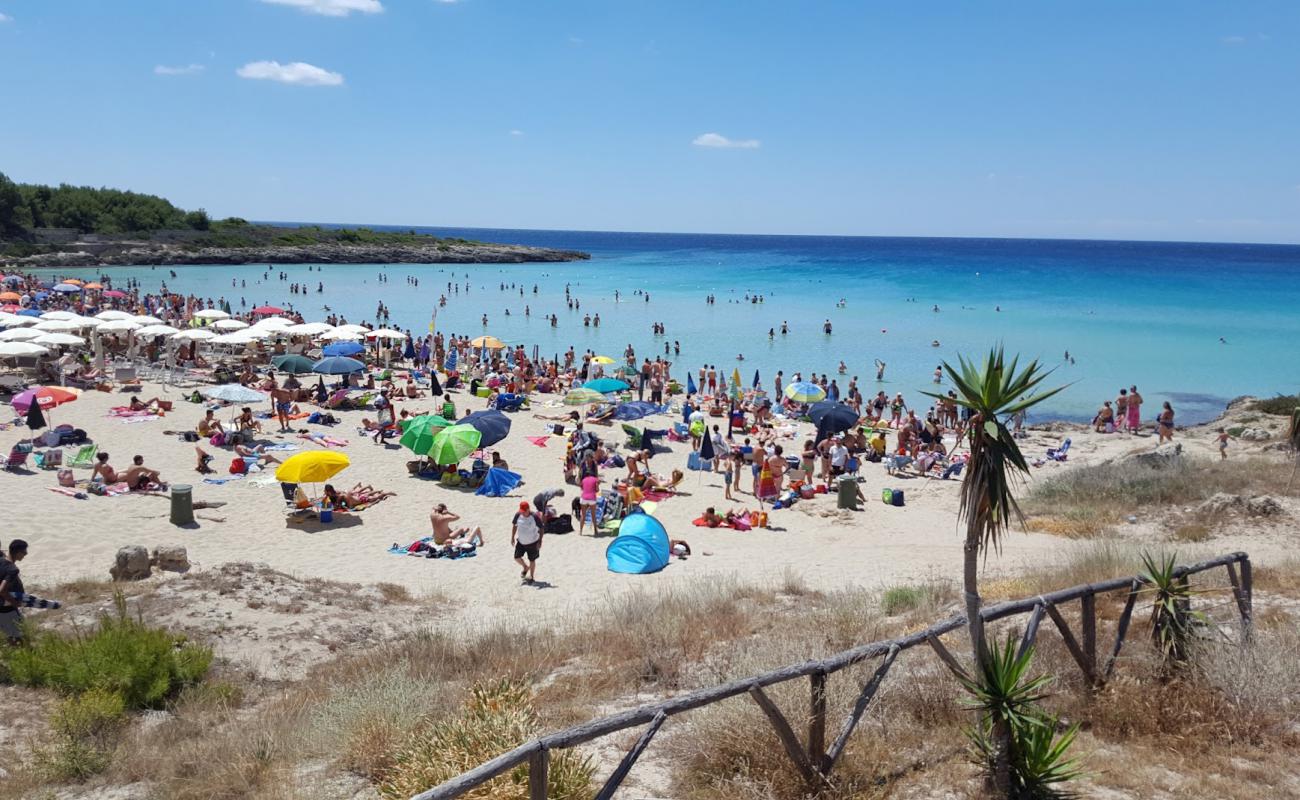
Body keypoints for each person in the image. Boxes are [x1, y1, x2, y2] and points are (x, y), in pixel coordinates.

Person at [0, 539, 29, 645]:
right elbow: (2, 590)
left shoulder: (1, 560)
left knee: (10, 635)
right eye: (24, 552)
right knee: (19, 639)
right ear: (17, 552)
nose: (26, 554)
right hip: (7, 609)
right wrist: (14, 602)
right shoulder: (12, 569)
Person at [511, 501, 544, 583]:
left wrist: (540, 541)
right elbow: (514, 526)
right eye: (521, 511)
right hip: (521, 542)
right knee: (516, 557)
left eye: (524, 511)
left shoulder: (534, 516)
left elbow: (541, 528)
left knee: (532, 560)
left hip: (533, 542)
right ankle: (525, 567)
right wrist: (512, 537)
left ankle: (531, 576)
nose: (522, 513)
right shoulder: (518, 515)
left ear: (528, 509)